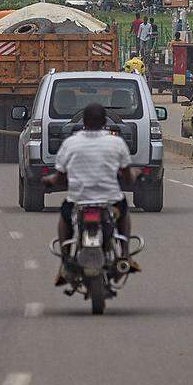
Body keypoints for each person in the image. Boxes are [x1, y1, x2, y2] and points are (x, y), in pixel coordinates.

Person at [42, 103, 140, 285]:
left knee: (65, 218)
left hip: (78, 200)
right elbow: (127, 177)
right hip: (110, 201)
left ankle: (65, 260)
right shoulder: (116, 143)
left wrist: (48, 181)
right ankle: (124, 254)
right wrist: (135, 174)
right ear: (104, 121)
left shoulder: (71, 143)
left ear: (83, 121)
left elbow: (59, 178)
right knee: (124, 213)